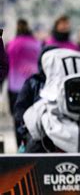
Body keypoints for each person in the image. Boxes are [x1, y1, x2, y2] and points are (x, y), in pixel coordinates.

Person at [13, 46, 57, 151]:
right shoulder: (34, 82)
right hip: (38, 135)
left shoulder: (67, 82)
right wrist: (25, 131)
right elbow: (20, 110)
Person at [6, 19, 42, 147]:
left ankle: (20, 147)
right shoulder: (37, 44)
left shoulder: (11, 45)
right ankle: (33, 146)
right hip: (33, 87)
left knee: (18, 120)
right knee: (34, 119)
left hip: (15, 88)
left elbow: (5, 66)